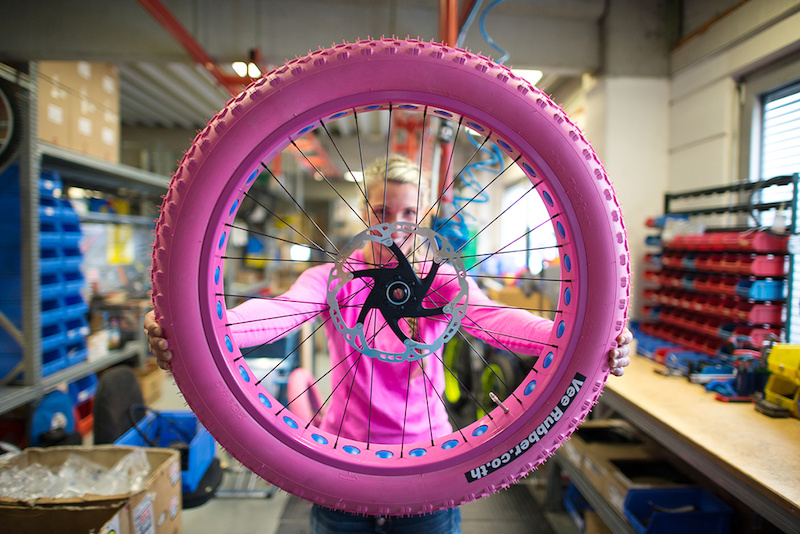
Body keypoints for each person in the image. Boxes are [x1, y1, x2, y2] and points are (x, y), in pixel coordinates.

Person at [145, 155, 632, 533]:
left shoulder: (441, 283)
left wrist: (581, 341)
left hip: (430, 463)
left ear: (426, 216)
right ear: (363, 212)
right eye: (382, 211)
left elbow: (494, 320)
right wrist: (197, 331)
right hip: (341, 465)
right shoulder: (330, 280)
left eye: (408, 213)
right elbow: (280, 312)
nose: (396, 226)